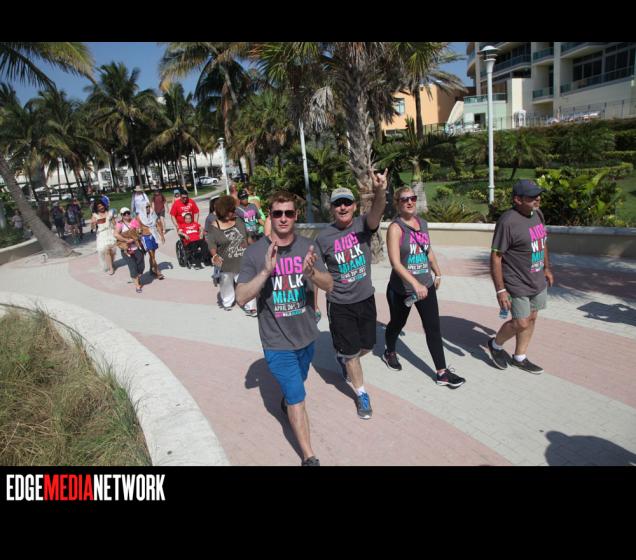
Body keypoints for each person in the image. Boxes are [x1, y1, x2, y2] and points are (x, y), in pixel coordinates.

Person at [236, 191, 333, 466]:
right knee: (298, 397)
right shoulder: (255, 252)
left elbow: (329, 285)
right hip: (276, 341)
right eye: (277, 213)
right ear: (270, 215)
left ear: (295, 216)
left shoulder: (308, 247)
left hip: (307, 336)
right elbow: (241, 297)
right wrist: (265, 271)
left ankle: (287, 402)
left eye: (288, 213)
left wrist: (312, 273)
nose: (283, 218)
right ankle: (309, 456)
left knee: (297, 386)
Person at [314, 170, 388, 420]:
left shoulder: (362, 226)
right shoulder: (323, 238)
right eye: (338, 204)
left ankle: (343, 356)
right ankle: (361, 393)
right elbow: (318, 275)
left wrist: (380, 191)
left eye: (347, 202)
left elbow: (377, 211)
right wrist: (314, 304)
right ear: (332, 209)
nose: (343, 207)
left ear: (354, 206)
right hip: (340, 304)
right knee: (353, 355)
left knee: (367, 345)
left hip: (365, 299)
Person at [383, 186, 466, 387]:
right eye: (404, 199)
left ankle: (442, 373)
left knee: (433, 327)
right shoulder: (395, 228)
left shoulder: (423, 223)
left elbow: (427, 250)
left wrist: (438, 272)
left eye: (412, 198)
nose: (409, 202)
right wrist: (415, 283)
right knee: (397, 324)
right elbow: (395, 263)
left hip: (425, 286)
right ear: (397, 203)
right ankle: (390, 351)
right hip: (402, 290)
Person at [487, 179, 554, 374]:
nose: (537, 199)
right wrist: (500, 290)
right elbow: (496, 256)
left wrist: (547, 268)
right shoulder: (507, 222)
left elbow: (542, 241)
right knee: (521, 322)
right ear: (517, 199)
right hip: (516, 281)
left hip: (537, 279)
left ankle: (519, 357)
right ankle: (496, 345)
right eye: (532, 196)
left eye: (538, 195)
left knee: (532, 317)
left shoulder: (537, 214)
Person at [206, 195, 256, 313]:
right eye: (232, 210)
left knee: (247, 283)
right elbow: (211, 244)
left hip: (243, 261)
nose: (235, 212)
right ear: (224, 211)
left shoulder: (239, 221)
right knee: (226, 284)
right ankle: (228, 301)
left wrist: (255, 249)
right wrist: (215, 255)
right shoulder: (214, 226)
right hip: (225, 263)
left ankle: (250, 306)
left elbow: (247, 237)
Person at [114, 207, 145, 293]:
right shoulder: (120, 224)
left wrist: (138, 235)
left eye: (128, 213)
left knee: (141, 265)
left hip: (137, 247)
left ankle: (136, 276)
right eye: (124, 214)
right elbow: (116, 234)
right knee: (133, 267)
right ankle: (137, 285)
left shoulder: (134, 221)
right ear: (121, 215)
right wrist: (126, 240)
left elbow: (140, 231)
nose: (127, 215)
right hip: (127, 249)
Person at [138, 201, 166, 279]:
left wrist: (162, 236)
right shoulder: (139, 217)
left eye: (148, 206)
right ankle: (157, 271)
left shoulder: (152, 214)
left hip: (153, 236)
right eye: (146, 207)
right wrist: (139, 238)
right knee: (151, 255)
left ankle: (151, 269)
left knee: (153, 255)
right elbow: (137, 229)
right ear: (142, 208)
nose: (148, 208)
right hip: (145, 237)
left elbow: (158, 225)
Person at [91, 199, 117, 275]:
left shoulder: (110, 213)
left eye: (102, 205)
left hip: (110, 232)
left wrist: (117, 230)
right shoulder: (95, 215)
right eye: (99, 206)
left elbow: (114, 224)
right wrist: (93, 223)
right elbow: (93, 228)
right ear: (96, 208)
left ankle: (111, 263)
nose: (101, 207)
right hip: (102, 234)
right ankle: (111, 268)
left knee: (112, 251)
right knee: (106, 250)